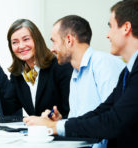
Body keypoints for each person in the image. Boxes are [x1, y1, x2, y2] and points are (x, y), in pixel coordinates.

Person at [23, 1, 138, 147]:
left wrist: (54, 127)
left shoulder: (114, 65)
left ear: (126, 27)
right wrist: (59, 124)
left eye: (110, 26)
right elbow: (101, 112)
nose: (107, 35)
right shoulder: (127, 71)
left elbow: (113, 121)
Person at [52, 15, 125, 148]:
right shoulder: (75, 73)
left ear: (69, 40)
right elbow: (81, 124)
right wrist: (60, 123)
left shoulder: (103, 64)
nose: (52, 48)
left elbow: (114, 121)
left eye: (54, 41)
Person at [2, 19, 72, 117]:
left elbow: (71, 111)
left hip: (60, 129)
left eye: (26, 39)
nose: (21, 46)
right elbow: (7, 108)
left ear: (37, 40)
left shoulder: (60, 67)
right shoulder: (18, 74)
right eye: (15, 42)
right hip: (36, 131)